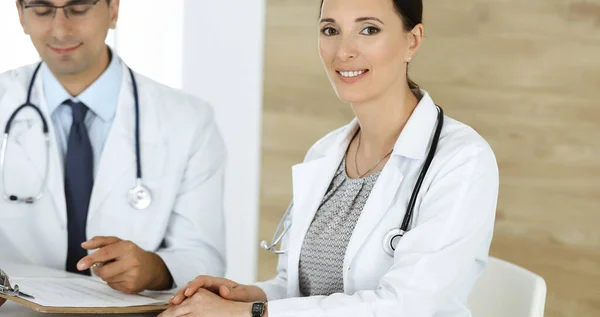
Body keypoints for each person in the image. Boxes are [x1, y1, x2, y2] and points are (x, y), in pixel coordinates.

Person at [161, 0, 500, 316]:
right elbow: (298, 290)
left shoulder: (461, 160)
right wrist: (249, 295)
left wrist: (253, 313)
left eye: (369, 30)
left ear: (412, 41)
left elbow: (407, 306)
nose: (343, 51)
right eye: (330, 30)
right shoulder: (326, 153)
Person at [0, 0, 227, 304]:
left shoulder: (188, 120)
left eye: (78, 8)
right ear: (20, 14)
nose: (60, 29)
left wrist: (157, 270)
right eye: (42, 10)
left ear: (113, 9)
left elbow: (205, 257)